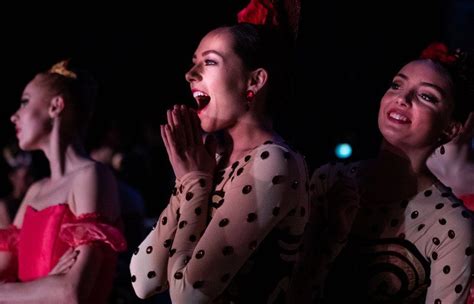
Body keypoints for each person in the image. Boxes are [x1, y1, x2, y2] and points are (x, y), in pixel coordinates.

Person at [129, 22, 309, 303]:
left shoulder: (274, 162)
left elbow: (187, 297)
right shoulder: (211, 159)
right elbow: (143, 280)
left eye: (210, 61)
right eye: (193, 63)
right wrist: (187, 182)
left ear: (254, 81)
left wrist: (194, 183)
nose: (190, 74)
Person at [297, 44, 474, 303]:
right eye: (396, 85)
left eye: (427, 96)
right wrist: (329, 239)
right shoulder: (330, 180)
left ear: (450, 129)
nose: (402, 98)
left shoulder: (451, 225)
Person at [0, 60, 126, 303]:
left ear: (56, 106)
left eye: (25, 102)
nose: (14, 116)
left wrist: (17, 290)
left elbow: (72, 292)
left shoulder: (91, 176)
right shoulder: (35, 191)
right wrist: (47, 284)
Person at [0, 144, 35, 228]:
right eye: (25, 177)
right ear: (13, 177)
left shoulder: (34, 201)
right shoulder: (3, 206)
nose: (31, 180)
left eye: (30, 176)